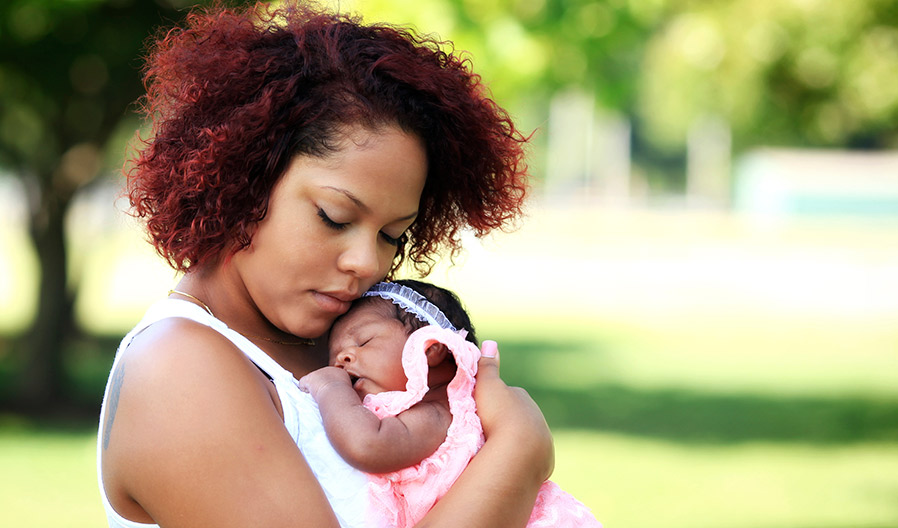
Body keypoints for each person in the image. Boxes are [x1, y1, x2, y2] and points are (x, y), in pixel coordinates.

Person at [96, 2, 555, 527]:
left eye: (391, 235)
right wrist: (518, 454)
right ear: (246, 180)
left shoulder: (351, 344)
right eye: (333, 217)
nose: (366, 263)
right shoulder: (178, 369)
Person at [300, 280, 603, 528]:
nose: (342, 359)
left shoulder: (441, 414)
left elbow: (368, 445)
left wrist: (330, 388)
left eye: (363, 341)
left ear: (429, 348)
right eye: (334, 356)